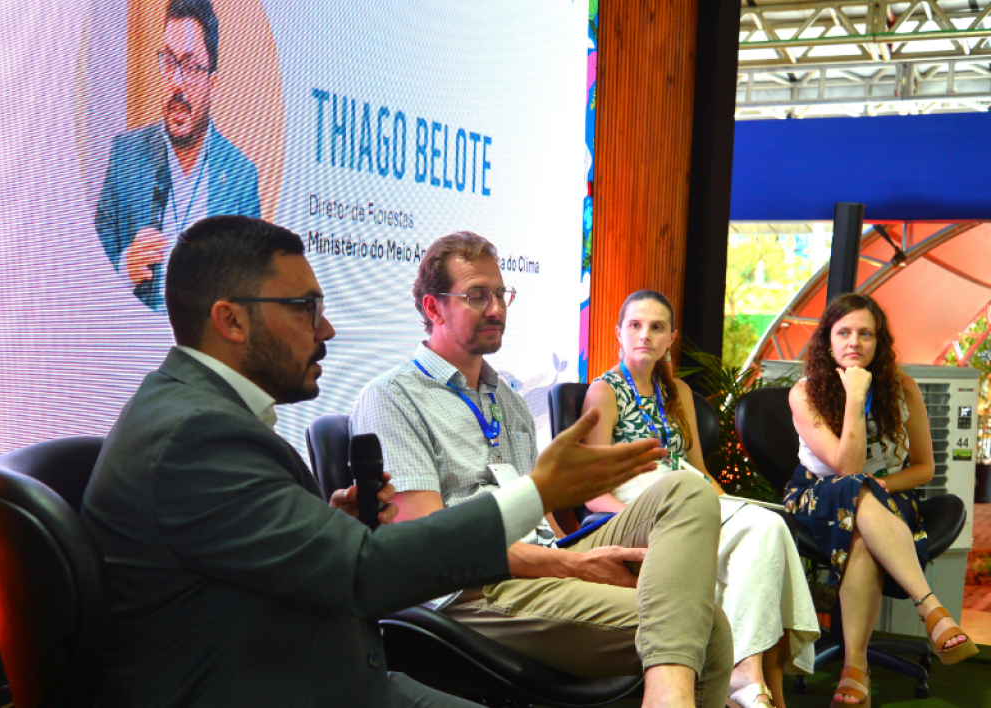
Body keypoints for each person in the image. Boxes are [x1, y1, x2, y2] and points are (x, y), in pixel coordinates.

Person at [80, 216, 666, 708]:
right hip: (282, 686)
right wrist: (538, 493)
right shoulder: (197, 436)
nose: (327, 328)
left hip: (329, 672)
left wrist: (331, 524)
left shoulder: (196, 412)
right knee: (683, 629)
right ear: (231, 320)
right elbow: (363, 574)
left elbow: (266, 562)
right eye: (305, 308)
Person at [350, 231, 734, 708]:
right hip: (472, 585)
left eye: (500, 294)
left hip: (544, 560)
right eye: (477, 295)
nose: (496, 308)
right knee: (709, 628)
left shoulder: (507, 400)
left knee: (686, 490)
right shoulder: (393, 397)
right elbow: (429, 547)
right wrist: (573, 566)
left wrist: (576, 553)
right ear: (434, 308)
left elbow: (543, 513)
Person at [581, 290, 820, 708]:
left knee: (768, 525)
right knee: (763, 530)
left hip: (690, 491)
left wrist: (726, 505)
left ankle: (748, 673)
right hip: (641, 503)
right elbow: (593, 492)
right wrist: (634, 520)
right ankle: (746, 678)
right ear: (618, 333)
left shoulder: (678, 391)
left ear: (671, 337)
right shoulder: (603, 391)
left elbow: (700, 470)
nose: (645, 335)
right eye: (635, 325)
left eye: (657, 327)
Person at [784, 293, 977, 707]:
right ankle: (931, 608)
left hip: (887, 494)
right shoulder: (805, 393)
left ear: (879, 341)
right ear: (827, 341)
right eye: (844, 333)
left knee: (862, 524)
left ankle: (855, 669)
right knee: (855, 488)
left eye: (865, 334)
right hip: (817, 495)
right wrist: (855, 396)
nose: (854, 342)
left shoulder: (903, 388)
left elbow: (923, 467)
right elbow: (846, 468)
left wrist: (882, 485)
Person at [95, 0, 260, 312]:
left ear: (213, 82)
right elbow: (85, 270)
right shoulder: (125, 156)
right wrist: (124, 267)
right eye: (169, 62)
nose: (177, 83)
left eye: (192, 67)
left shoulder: (241, 176)